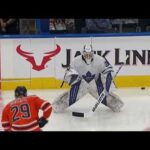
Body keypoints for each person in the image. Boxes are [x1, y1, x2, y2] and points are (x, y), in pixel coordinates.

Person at [52, 45, 124, 113]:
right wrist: (73, 79)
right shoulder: (76, 61)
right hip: (81, 84)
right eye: (86, 54)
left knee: (109, 100)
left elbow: (108, 70)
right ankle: (58, 105)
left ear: (93, 53)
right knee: (69, 99)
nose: (88, 56)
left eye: (90, 54)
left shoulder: (100, 60)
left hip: (96, 84)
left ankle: (116, 104)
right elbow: (68, 74)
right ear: (83, 54)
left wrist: (109, 75)